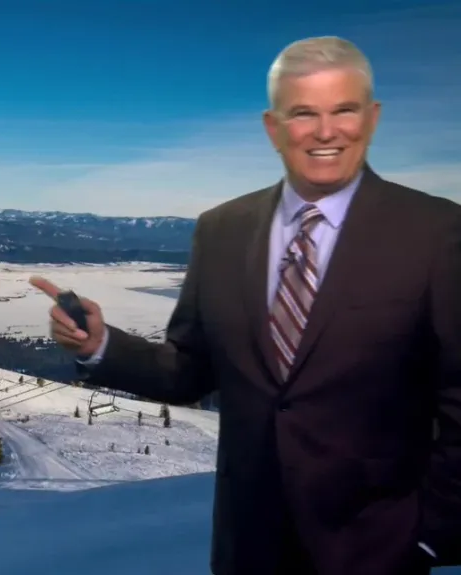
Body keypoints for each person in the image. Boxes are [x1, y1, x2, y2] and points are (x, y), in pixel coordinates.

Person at [32, 36, 460, 575]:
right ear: (273, 127)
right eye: (304, 113)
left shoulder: (436, 231)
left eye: (343, 110)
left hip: (378, 550)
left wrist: (431, 536)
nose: (326, 132)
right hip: (249, 546)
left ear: (371, 118)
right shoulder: (222, 230)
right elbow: (188, 369)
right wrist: (100, 346)